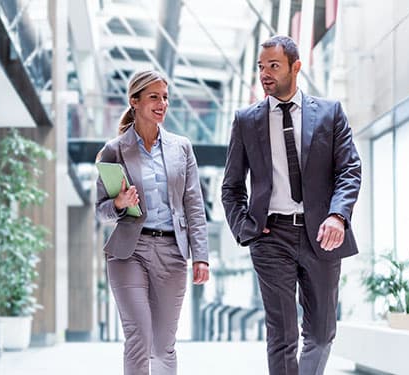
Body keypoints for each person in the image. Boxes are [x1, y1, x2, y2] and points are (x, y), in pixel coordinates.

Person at [221, 36, 361, 375]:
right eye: (260, 67)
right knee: (281, 336)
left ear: (296, 67)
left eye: (273, 66)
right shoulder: (246, 120)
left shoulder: (329, 113)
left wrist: (338, 216)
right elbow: (232, 187)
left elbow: (349, 170)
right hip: (271, 237)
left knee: (322, 332)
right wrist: (247, 230)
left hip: (323, 234)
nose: (265, 74)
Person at [95, 70, 209, 375]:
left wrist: (201, 257)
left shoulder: (181, 147)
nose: (162, 104)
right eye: (154, 97)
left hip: (172, 252)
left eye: (166, 97)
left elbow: (194, 205)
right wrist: (119, 203)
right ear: (135, 101)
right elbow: (100, 211)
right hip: (129, 252)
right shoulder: (114, 150)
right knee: (139, 339)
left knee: (163, 345)